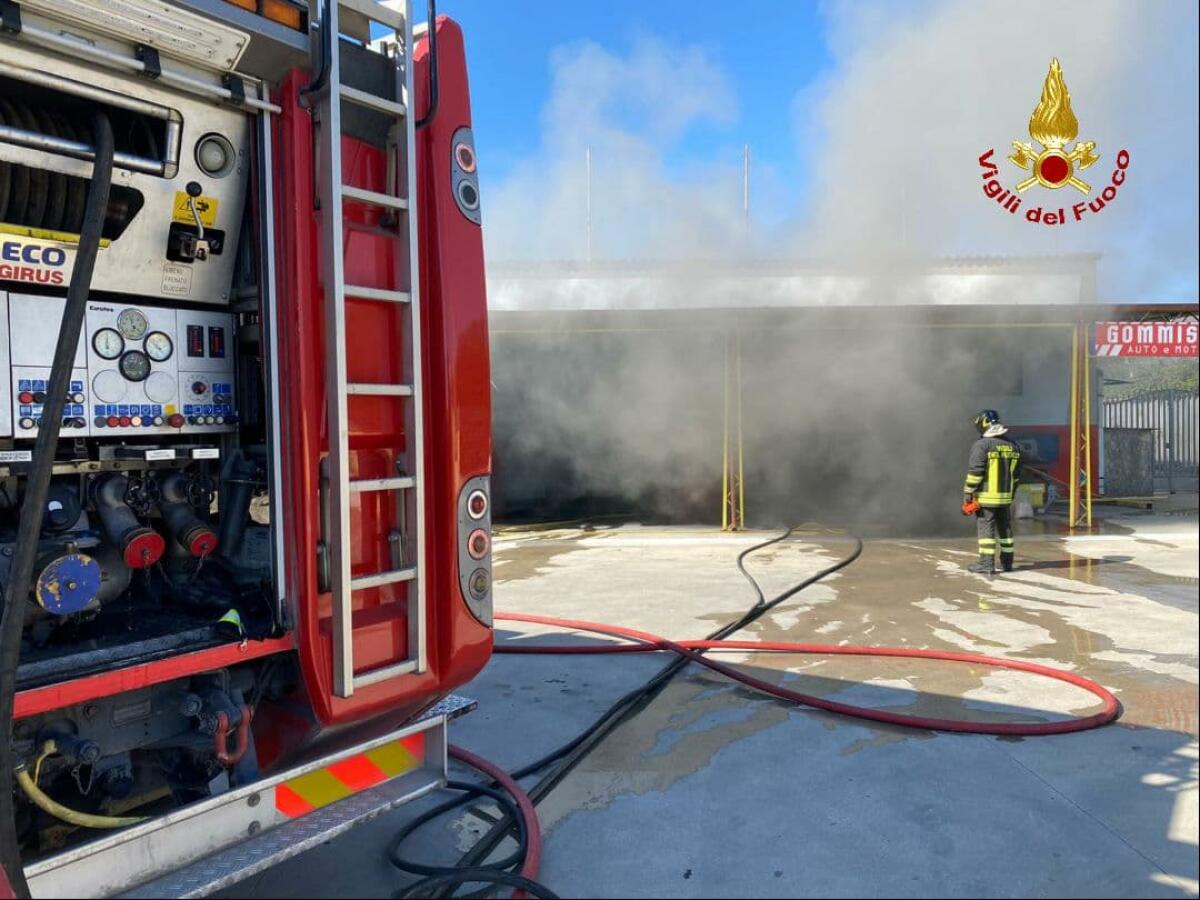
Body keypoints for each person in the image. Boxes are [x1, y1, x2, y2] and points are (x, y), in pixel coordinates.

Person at [961, 409, 1022, 574]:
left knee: (986, 529)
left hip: (986, 499)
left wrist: (968, 494)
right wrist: (1011, 495)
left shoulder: (982, 445)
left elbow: (976, 472)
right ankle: (1007, 563)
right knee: (1005, 529)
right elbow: (1017, 475)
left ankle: (986, 563)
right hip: (1005, 498)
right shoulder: (1013, 446)